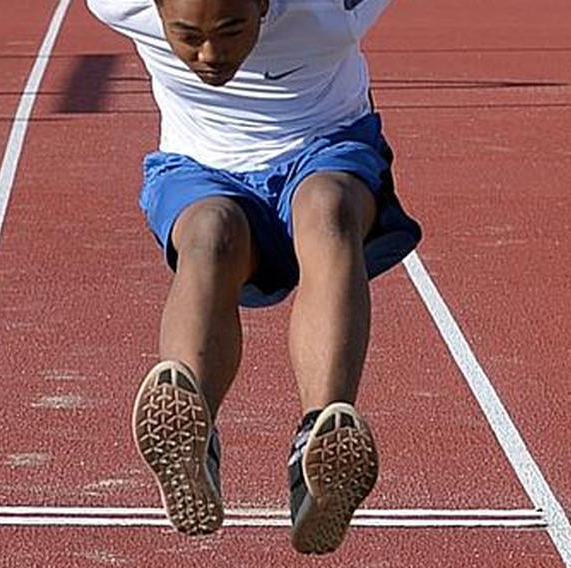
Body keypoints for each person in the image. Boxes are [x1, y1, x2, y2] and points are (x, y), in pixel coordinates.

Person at [86, 0, 421, 554]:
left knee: (327, 210)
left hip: (324, 150)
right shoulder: (117, 3)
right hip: (200, 167)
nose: (210, 55)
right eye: (186, 35)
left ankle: (322, 439)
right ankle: (191, 433)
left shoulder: (330, 8)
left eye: (231, 29)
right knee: (209, 237)